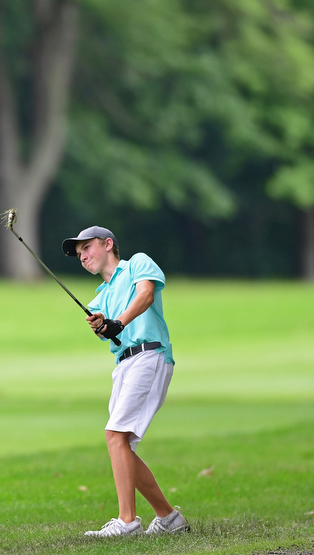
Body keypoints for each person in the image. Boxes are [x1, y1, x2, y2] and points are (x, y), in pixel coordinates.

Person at [62, 225, 189, 537]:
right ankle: (168, 518)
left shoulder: (137, 264)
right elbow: (110, 334)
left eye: (87, 248)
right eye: (79, 254)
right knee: (121, 445)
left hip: (150, 355)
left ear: (108, 244)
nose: (83, 256)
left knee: (114, 435)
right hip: (124, 365)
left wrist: (117, 322)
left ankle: (127, 522)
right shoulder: (99, 300)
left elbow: (145, 295)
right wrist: (103, 326)